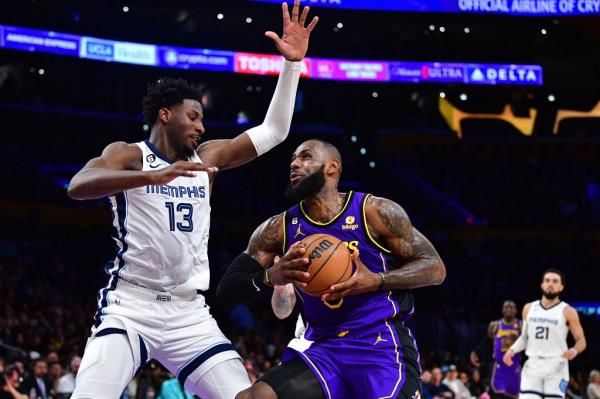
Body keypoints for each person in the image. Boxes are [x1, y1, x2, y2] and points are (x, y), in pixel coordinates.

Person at [66, 1, 319, 397]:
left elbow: (274, 131)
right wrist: (155, 175)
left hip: (189, 313)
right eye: (194, 117)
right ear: (165, 115)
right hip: (131, 305)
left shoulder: (208, 158)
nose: (201, 126)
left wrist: (291, 67)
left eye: (202, 119)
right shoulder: (129, 155)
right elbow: (78, 185)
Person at [216, 139, 446, 399]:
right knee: (252, 397)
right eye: (293, 158)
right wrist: (270, 276)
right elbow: (227, 290)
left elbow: (435, 268)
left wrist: (377, 280)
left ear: (331, 167)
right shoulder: (278, 228)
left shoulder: (374, 211)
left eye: (305, 157)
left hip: (378, 342)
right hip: (325, 348)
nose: (294, 163)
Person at [503, 269, 587, 399]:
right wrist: (512, 350)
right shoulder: (528, 308)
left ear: (561, 287)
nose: (550, 284)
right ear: (542, 285)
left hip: (557, 366)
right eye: (547, 281)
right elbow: (525, 337)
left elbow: (581, 340)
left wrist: (574, 351)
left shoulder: (568, 311)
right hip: (533, 365)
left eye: (555, 281)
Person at [471, 300, 522, 399]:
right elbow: (487, 341)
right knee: (496, 393)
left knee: (514, 394)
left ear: (516, 310)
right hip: (498, 365)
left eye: (511, 307)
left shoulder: (521, 325)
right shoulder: (495, 325)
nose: (508, 309)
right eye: (506, 307)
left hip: (514, 365)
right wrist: (476, 352)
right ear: (502, 310)